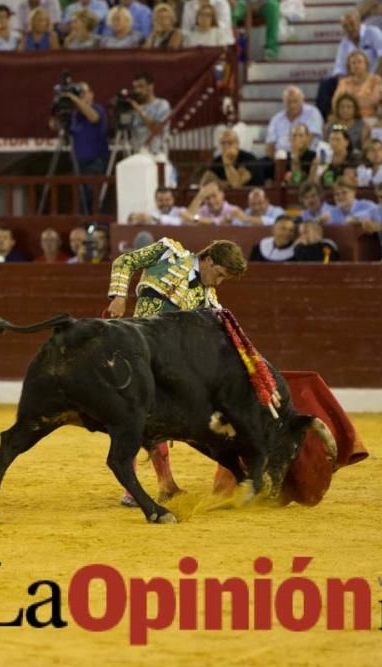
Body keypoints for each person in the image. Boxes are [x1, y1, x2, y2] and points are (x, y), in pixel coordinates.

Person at [106, 237, 247, 506]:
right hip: (137, 352)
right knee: (135, 418)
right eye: (219, 275)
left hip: (167, 364)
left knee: (154, 421)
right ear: (208, 260)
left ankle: (164, 485)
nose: (218, 283)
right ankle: (137, 487)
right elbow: (124, 261)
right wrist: (119, 296)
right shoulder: (168, 253)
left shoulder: (209, 299)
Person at [56, 80, 108, 212]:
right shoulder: (74, 115)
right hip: (78, 162)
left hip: (95, 161)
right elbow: (56, 126)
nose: (80, 96)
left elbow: (94, 118)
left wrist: (74, 99)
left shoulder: (98, 109)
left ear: (91, 94)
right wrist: (55, 109)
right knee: (81, 199)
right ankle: (85, 225)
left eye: (82, 93)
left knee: (93, 196)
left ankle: (96, 225)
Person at [264, 85, 324, 157]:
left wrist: (295, 156)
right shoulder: (276, 119)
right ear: (284, 102)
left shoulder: (313, 113)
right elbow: (269, 144)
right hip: (282, 157)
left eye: (295, 101)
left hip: (306, 155)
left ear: (302, 100)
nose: (292, 105)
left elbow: (310, 138)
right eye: (289, 102)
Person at [128, 71, 171, 154]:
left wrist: (141, 112)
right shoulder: (134, 108)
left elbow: (157, 130)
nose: (137, 91)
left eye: (141, 87)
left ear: (150, 87)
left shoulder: (162, 104)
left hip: (156, 155)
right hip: (138, 154)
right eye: (135, 87)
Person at [334, 50, 382, 118]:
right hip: (346, 118)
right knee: (334, 127)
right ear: (349, 67)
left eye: (359, 62)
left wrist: (349, 104)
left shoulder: (375, 80)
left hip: (369, 117)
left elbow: (374, 101)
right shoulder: (344, 82)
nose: (356, 65)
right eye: (353, 63)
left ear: (366, 64)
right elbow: (336, 102)